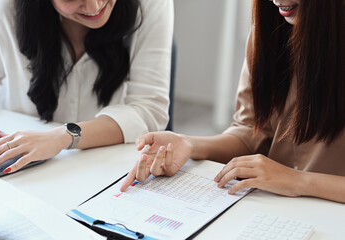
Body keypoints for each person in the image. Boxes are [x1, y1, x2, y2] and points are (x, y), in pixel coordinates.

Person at [121, 0, 345, 203]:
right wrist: (189, 144)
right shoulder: (269, 30)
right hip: (273, 207)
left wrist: (297, 180)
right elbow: (251, 132)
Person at [0, 0, 173, 173]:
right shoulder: (7, 8)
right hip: (22, 167)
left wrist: (62, 136)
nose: (96, 6)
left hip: (103, 169)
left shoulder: (150, 5)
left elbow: (149, 109)